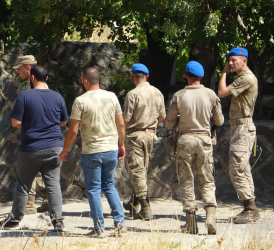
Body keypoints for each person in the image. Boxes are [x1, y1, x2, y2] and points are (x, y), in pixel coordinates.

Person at [0, 65, 68, 231]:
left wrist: (32, 123)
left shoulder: (25, 96)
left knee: (23, 184)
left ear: (32, 78)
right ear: (46, 78)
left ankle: (15, 219)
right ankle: (58, 221)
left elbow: (15, 122)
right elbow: (63, 121)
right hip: (54, 146)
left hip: (31, 148)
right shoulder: (57, 97)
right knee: (53, 184)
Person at [60, 66, 126, 238]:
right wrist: (121, 144)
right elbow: (121, 124)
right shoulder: (112, 97)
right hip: (111, 148)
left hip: (92, 151)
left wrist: (65, 150)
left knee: (94, 189)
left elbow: (73, 131)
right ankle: (120, 223)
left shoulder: (80, 101)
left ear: (85, 81)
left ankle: (99, 227)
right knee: (109, 185)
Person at [165, 61, 224, 234]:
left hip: (185, 139)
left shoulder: (179, 95)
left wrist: (179, 120)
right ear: (202, 76)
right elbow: (219, 121)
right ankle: (211, 216)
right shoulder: (210, 94)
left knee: (186, 180)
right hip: (205, 139)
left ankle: (190, 222)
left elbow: (169, 124)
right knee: (207, 179)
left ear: (185, 75)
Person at [217, 47, 259, 224]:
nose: (230, 63)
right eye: (229, 60)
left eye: (234, 60)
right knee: (242, 167)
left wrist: (224, 73)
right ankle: (250, 207)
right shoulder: (242, 78)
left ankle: (250, 208)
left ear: (244, 61)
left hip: (243, 128)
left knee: (237, 169)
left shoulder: (246, 78)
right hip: (239, 127)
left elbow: (221, 92)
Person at [122, 63, 165, 220]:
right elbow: (162, 117)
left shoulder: (132, 94)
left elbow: (125, 119)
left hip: (135, 135)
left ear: (133, 77)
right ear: (147, 76)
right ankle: (133, 203)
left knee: (136, 169)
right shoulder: (157, 93)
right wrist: (151, 126)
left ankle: (145, 207)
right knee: (141, 168)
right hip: (150, 135)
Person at [12, 55, 49, 214]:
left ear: (28, 68)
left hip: (36, 134)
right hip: (43, 134)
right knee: (40, 170)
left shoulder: (35, 87)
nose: (18, 72)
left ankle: (29, 205)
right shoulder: (35, 84)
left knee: (30, 169)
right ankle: (46, 199)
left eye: (19, 68)